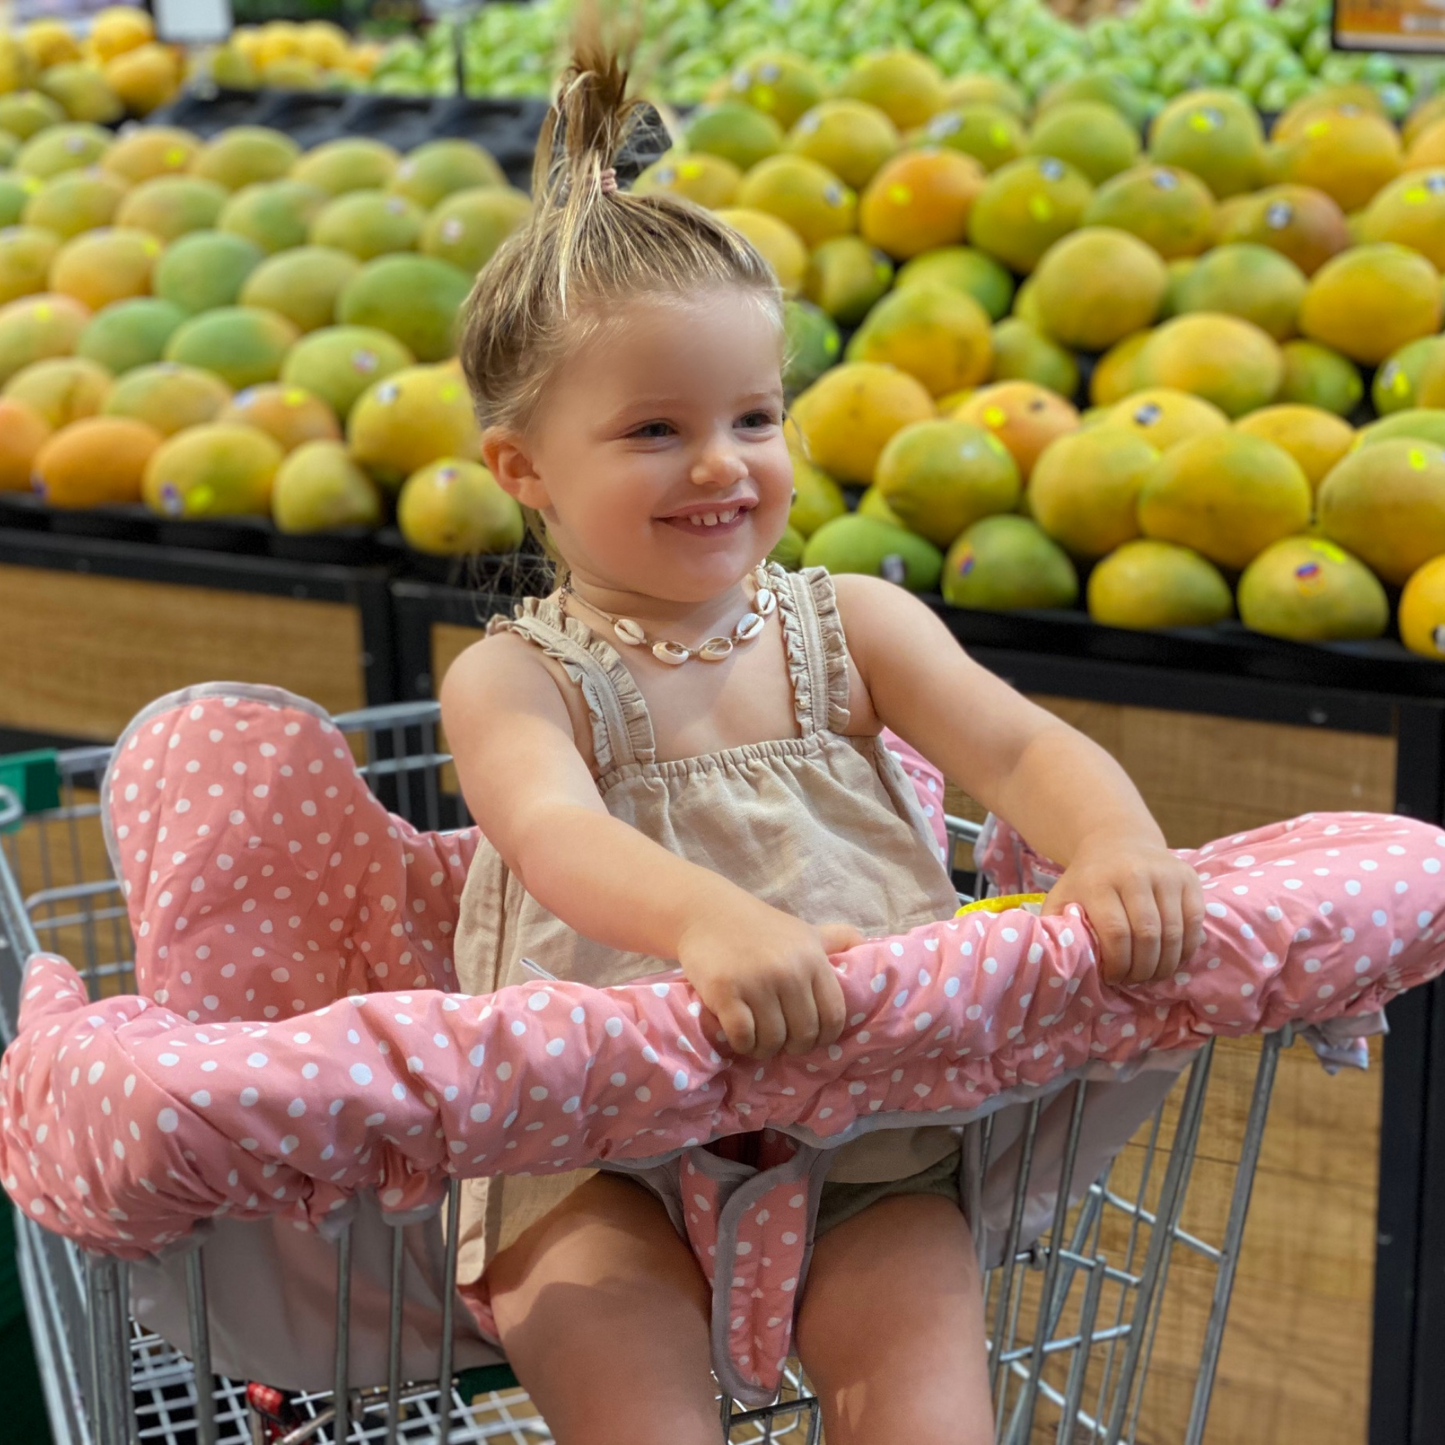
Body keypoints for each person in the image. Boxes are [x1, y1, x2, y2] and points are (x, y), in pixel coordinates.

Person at [440, 36, 1205, 1445]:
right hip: (593, 1149)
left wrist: (1113, 842)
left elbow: (1026, 750)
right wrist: (712, 923)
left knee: (927, 1410)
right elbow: (556, 837)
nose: (725, 463)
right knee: (631, 1404)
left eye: (754, 415)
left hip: (877, 1134)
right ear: (524, 469)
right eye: (657, 429)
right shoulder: (515, 678)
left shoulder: (852, 625)